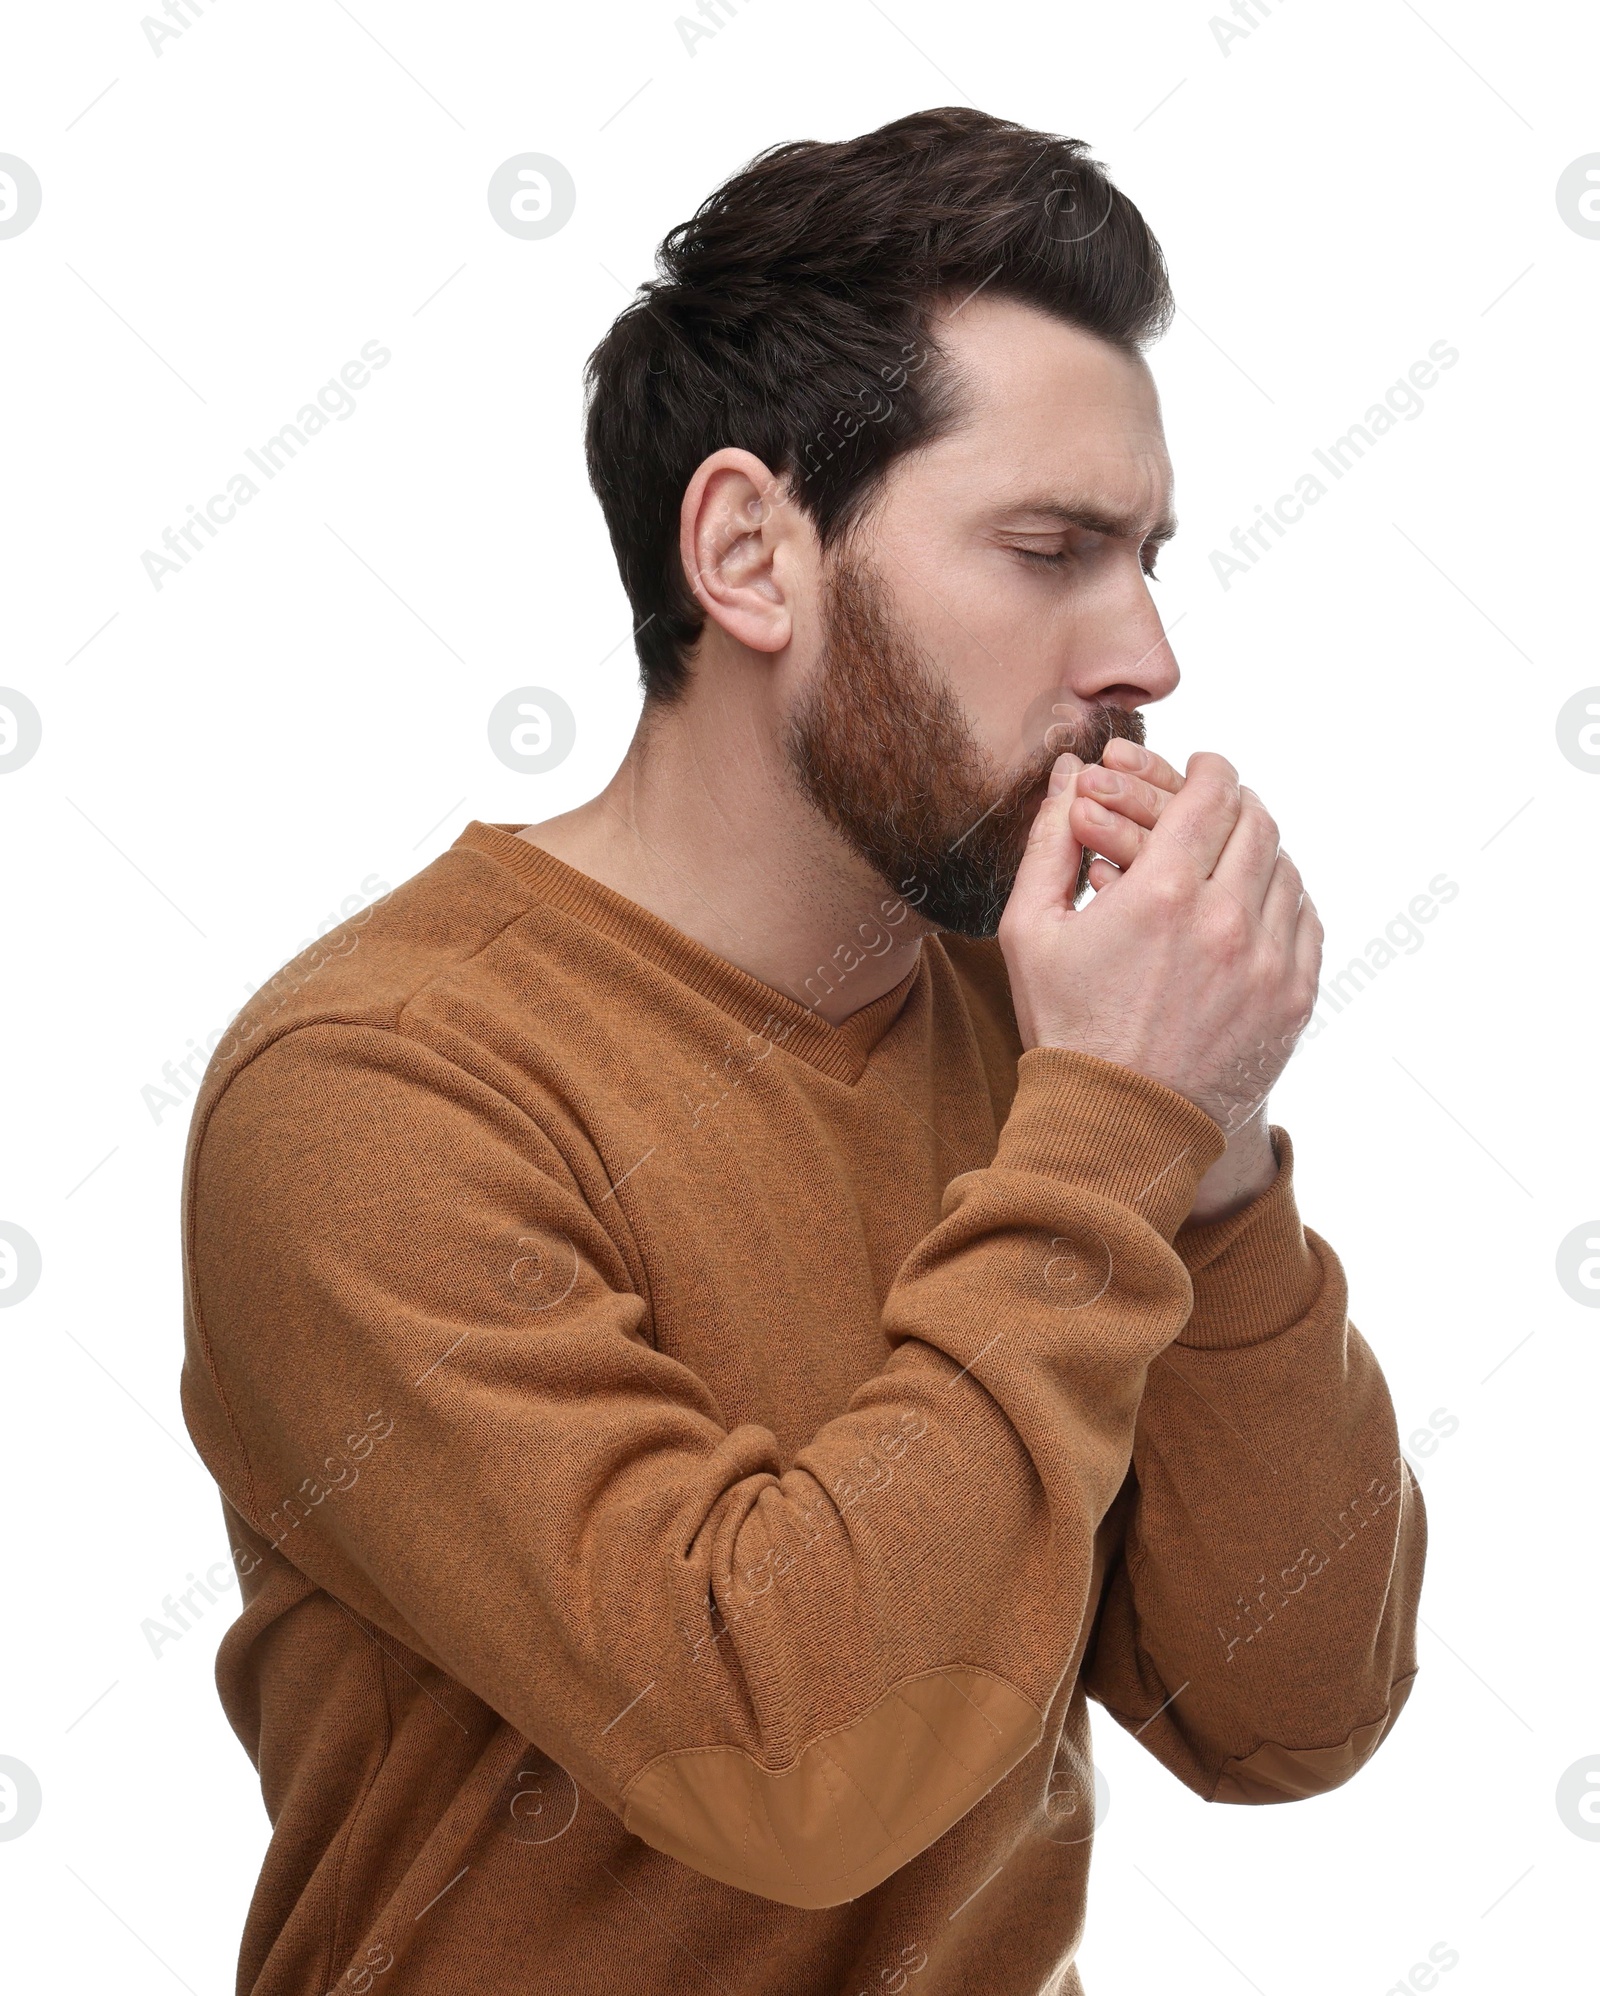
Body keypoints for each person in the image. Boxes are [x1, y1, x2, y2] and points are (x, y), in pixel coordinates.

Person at [180, 105, 1424, 1996]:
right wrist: (1114, 1131)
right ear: (753, 555)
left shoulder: (1060, 1036)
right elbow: (790, 1759)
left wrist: (1219, 1146)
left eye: (1149, 553)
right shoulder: (376, 1086)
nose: (1151, 650)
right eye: (1051, 548)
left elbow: (1287, 1712)